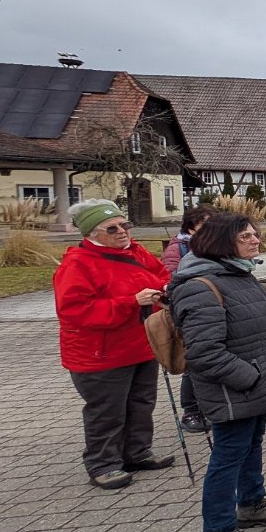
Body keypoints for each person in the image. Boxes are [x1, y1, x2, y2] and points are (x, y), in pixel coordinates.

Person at [169, 213, 266, 532]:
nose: (255, 240)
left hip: (254, 387)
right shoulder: (201, 286)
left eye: (255, 234)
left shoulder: (237, 273)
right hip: (236, 389)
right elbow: (205, 352)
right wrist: (250, 376)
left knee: (250, 446)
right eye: (246, 236)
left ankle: (252, 503)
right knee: (227, 459)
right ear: (221, 242)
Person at [53, 199, 174, 490]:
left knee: (141, 403)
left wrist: (168, 287)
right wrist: (131, 302)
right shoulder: (77, 264)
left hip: (141, 343)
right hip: (100, 354)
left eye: (125, 225)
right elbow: (75, 311)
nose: (123, 231)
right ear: (91, 234)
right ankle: (103, 464)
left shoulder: (136, 252)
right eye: (113, 228)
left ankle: (137, 452)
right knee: (107, 410)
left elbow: (162, 275)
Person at [161, 204, 218, 433]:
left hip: (217, 307)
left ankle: (211, 406)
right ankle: (191, 411)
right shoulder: (179, 248)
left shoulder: (216, 245)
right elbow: (171, 278)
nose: (209, 228)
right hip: (192, 309)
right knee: (194, 362)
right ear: (191, 227)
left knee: (213, 360)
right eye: (204, 224)